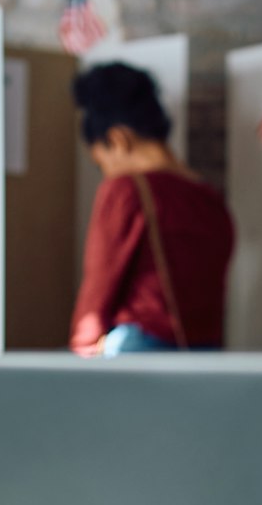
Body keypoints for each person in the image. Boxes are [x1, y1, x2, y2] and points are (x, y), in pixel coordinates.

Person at [69, 63, 234, 355]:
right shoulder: (210, 199)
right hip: (204, 355)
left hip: (139, 350)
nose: (105, 173)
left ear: (118, 140)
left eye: (100, 162)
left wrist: (82, 347)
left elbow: (98, 289)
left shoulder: (125, 191)